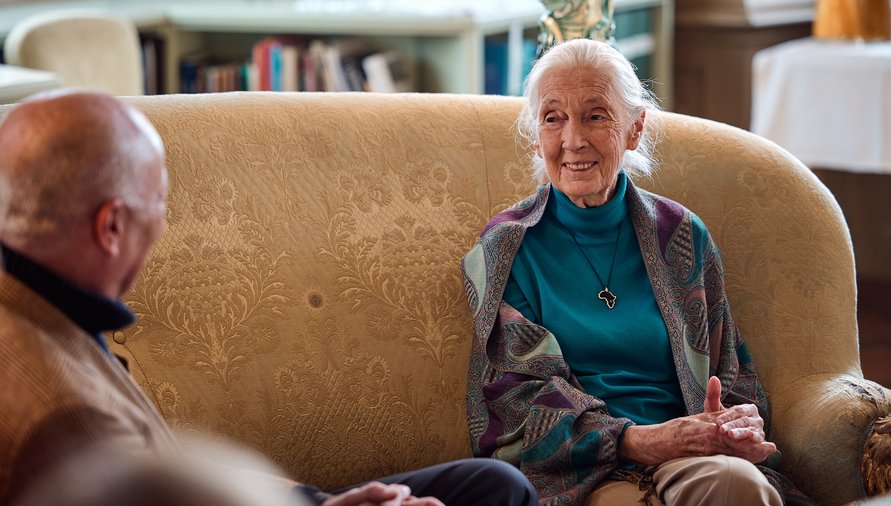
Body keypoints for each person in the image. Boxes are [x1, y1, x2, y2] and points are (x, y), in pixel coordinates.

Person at [0, 90, 539, 506]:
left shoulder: (36, 304)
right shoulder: (64, 418)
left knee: (490, 484)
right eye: (158, 205)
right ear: (112, 226)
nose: (162, 227)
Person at [461, 39, 808, 506]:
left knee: (738, 485)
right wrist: (640, 440)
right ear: (536, 133)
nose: (572, 140)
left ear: (635, 129)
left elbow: (732, 370)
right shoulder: (507, 247)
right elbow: (516, 401)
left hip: (693, 459)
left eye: (595, 115)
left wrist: (735, 421)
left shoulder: (680, 235)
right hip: (582, 474)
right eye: (553, 118)